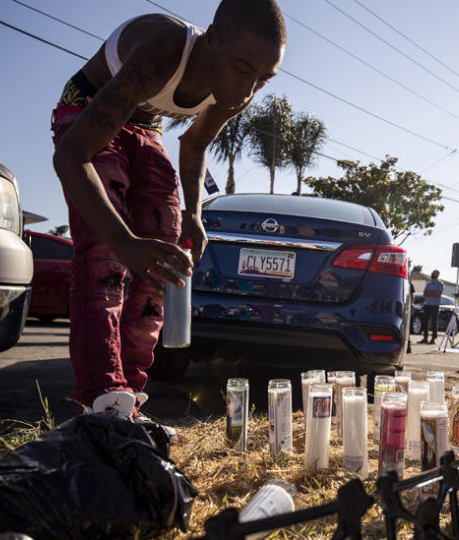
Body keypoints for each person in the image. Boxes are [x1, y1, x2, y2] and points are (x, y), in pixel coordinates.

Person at [51, 1, 286, 423]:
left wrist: (194, 212)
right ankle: (101, 398)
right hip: (87, 114)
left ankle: (129, 396)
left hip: (145, 128)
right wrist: (123, 241)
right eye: (243, 69)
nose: (249, 89)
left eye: (263, 78)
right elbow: (71, 156)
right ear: (212, 38)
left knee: (162, 256)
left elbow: (194, 144)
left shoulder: (239, 85)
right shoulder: (161, 49)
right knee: (105, 255)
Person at [419, 270, 443, 344]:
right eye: (432, 273)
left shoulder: (440, 284)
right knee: (425, 322)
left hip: (435, 305)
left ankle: (433, 339)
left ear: (437, 275)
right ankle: (425, 338)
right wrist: (433, 293)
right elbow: (424, 293)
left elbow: (438, 293)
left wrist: (430, 293)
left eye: (434, 274)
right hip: (427, 305)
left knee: (434, 322)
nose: (432, 274)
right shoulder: (428, 284)